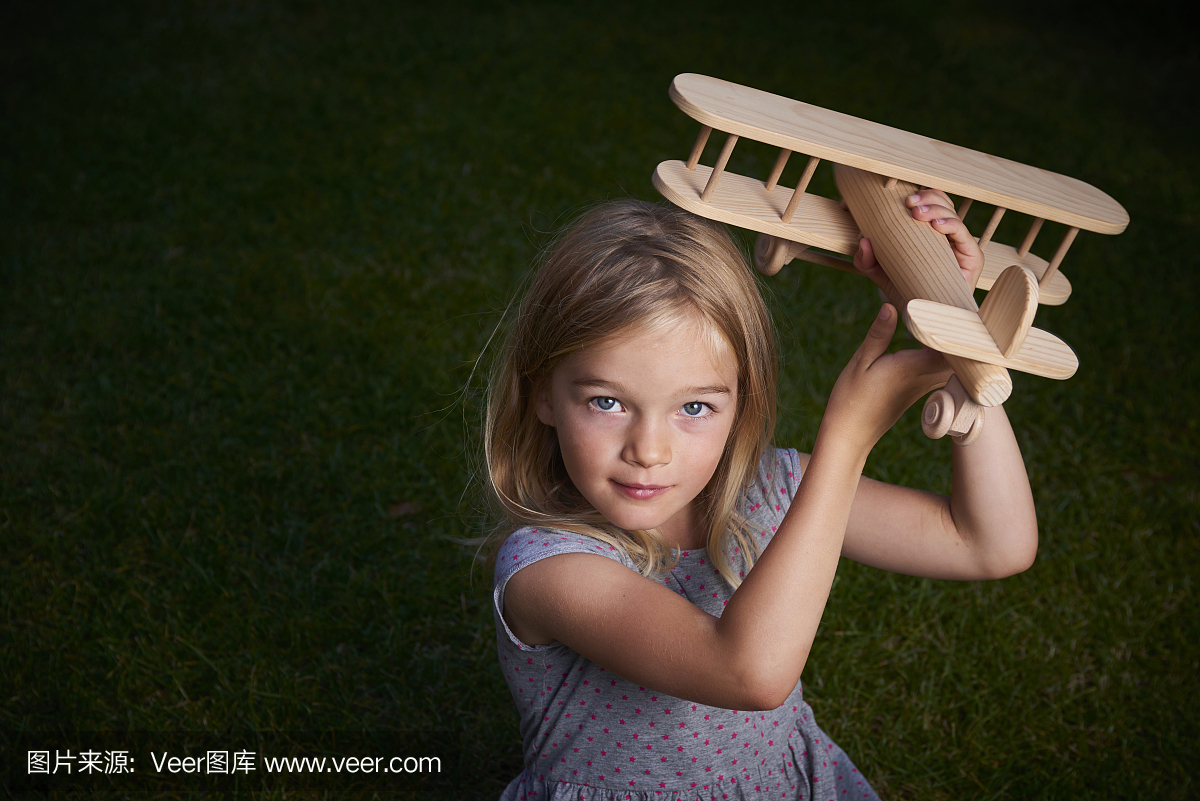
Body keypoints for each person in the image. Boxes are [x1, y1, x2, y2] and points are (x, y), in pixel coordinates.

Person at [480, 195, 1038, 800]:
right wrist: (846, 444)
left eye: (694, 407)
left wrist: (956, 338)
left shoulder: (770, 492)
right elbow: (748, 672)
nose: (649, 449)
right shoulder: (546, 566)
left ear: (741, 401)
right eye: (606, 402)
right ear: (542, 396)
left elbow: (990, 544)